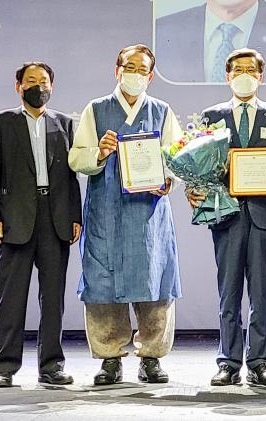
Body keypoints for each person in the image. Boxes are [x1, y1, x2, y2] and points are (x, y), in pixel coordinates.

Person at [68, 44, 182, 385]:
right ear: (117, 70)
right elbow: (76, 158)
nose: (135, 74)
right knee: (103, 285)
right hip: (106, 212)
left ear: (151, 75)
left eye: (142, 69)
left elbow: (177, 159)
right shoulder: (96, 109)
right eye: (129, 67)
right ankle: (109, 359)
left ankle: (152, 358)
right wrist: (99, 153)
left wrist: (168, 181)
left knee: (155, 284)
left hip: (149, 215)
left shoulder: (161, 111)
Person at [186, 48, 266, 386]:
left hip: (265, 215)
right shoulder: (212, 115)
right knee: (228, 293)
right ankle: (228, 362)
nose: (245, 75)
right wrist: (194, 189)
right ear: (227, 76)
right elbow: (201, 164)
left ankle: (259, 362)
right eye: (238, 70)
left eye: (251, 70)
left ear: (261, 76)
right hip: (226, 214)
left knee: (261, 294)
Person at [0, 62, 82, 388]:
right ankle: (4, 367)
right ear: (19, 86)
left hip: (56, 219)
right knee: (11, 298)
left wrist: (75, 216)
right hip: (15, 220)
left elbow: (71, 177)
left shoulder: (64, 123)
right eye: (31, 81)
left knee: (53, 300)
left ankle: (51, 366)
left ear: (52, 86)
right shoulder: (0, 122)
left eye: (44, 81)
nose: (39, 86)